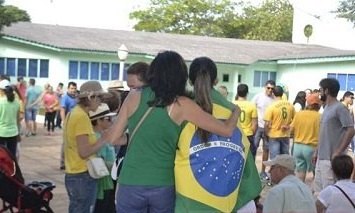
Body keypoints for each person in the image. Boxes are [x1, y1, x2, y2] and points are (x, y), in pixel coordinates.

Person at [108, 51, 240, 212]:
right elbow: (226, 131)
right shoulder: (183, 104)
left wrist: (137, 138)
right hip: (163, 183)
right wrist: (236, 112)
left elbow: (114, 138)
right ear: (181, 76)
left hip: (130, 181)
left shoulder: (133, 97)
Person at [175, 57, 261, 212]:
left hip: (189, 199)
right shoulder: (232, 110)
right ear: (216, 80)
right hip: (229, 198)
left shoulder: (180, 110)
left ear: (190, 80)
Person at [64, 81, 111, 213]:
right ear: (91, 97)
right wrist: (104, 139)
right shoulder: (82, 117)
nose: (101, 102)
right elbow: (84, 152)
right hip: (82, 175)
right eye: (100, 98)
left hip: (74, 173)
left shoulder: (73, 113)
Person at [313, 78, 355, 196]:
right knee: (318, 193)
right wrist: (316, 151)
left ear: (326, 91)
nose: (319, 93)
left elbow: (351, 130)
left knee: (329, 192)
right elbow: (324, 132)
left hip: (331, 159)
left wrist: (338, 151)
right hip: (321, 157)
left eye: (321, 90)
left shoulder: (340, 108)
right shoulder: (326, 108)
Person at [89, 103, 116, 213]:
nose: (111, 121)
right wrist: (116, 168)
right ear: (98, 121)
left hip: (107, 179)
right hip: (102, 181)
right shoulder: (97, 138)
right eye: (108, 118)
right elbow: (100, 161)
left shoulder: (102, 135)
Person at [290, 93, 321, 182]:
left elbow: (291, 130)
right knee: (316, 172)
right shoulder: (320, 116)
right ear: (318, 105)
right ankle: (314, 193)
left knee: (300, 172)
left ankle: (300, 191)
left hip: (297, 147)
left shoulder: (299, 114)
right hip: (311, 148)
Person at [252, 80, 275, 180]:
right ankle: (252, 171)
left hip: (268, 129)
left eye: (272, 88)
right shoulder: (258, 97)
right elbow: (251, 109)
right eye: (268, 88)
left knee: (266, 150)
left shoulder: (274, 100)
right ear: (265, 87)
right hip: (258, 127)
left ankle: (263, 172)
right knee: (253, 149)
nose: (270, 90)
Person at [264, 86, 295, 160]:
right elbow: (296, 119)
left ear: (273, 94)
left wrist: (266, 133)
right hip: (286, 135)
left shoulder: (271, 106)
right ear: (282, 94)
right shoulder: (290, 105)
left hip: (274, 135)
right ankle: (284, 171)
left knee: (275, 159)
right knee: (285, 158)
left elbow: (267, 124)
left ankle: (275, 171)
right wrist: (288, 126)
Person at [234, 83, 258, 158]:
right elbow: (254, 124)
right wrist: (252, 133)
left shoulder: (231, 104)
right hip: (248, 134)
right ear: (247, 93)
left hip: (235, 134)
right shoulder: (252, 105)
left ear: (237, 92)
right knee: (249, 157)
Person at [59, 81, 77, 170]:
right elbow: (62, 110)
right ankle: (63, 162)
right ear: (68, 88)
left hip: (76, 124)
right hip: (68, 123)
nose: (73, 90)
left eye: (74, 88)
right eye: (71, 88)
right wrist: (64, 121)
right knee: (66, 143)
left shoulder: (77, 98)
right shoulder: (65, 98)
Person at [0, 80, 20, 158]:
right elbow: (17, 119)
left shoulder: (1, 102)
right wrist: (18, 132)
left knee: (1, 155)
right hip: (13, 132)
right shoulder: (16, 102)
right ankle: (12, 169)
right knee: (12, 155)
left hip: (1, 132)